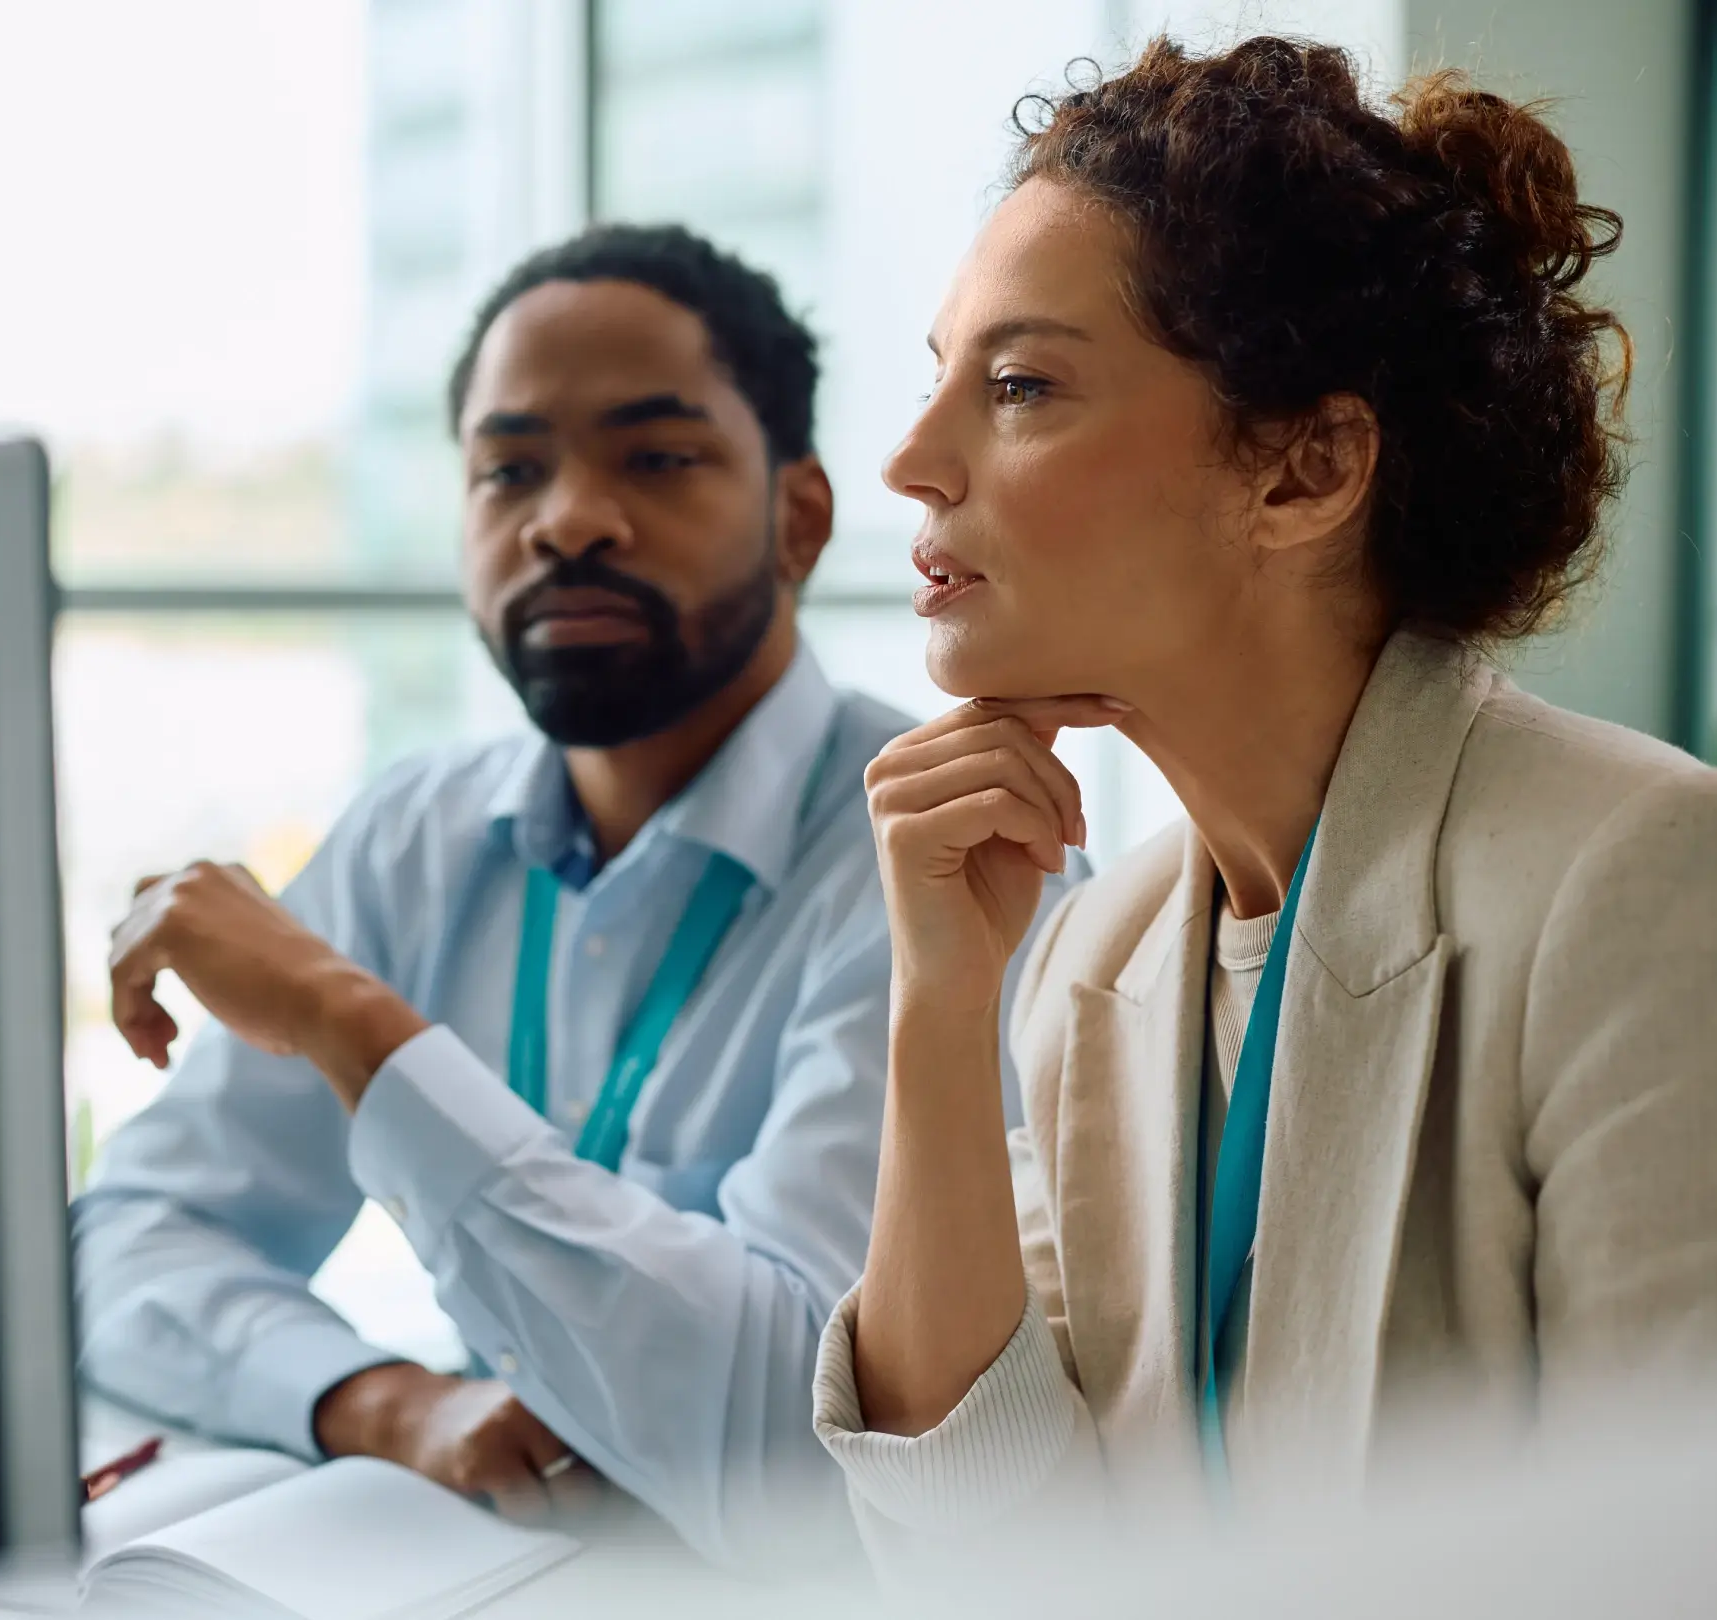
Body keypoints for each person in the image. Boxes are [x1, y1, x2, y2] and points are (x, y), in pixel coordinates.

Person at [811, 35, 1717, 1580]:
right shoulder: (1092, 958)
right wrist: (938, 1011)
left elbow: (1698, 1569)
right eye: (940, 377)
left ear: (1304, 470)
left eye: (1017, 385)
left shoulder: (1649, 877)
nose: (912, 461)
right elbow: (978, 1557)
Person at [69, 223, 1080, 1569]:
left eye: (656, 458)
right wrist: (380, 1403)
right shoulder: (412, 837)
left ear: (800, 518)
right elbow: (128, 1242)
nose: (566, 519)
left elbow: (790, 1438)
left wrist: (352, 1030)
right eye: (507, 471)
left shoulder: (956, 870)